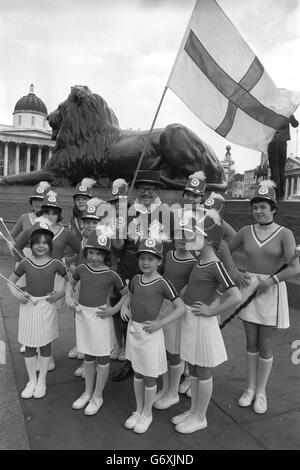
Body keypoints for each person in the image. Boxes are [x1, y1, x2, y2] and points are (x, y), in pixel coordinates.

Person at [228, 180, 299, 414]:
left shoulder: (285, 233)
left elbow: (294, 266)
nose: (259, 211)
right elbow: (225, 249)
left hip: (271, 290)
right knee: (250, 342)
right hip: (249, 287)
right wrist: (235, 272)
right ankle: (249, 388)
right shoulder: (246, 231)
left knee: (265, 344)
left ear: (274, 208)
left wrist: (271, 280)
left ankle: (261, 391)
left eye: (264, 207)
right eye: (255, 207)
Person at [171, 210, 242, 433]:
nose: (190, 239)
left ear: (210, 240)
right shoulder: (200, 262)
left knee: (202, 370)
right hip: (191, 318)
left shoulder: (215, 265)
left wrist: (212, 312)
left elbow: (236, 295)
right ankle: (193, 411)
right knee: (192, 367)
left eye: (196, 236)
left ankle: (201, 416)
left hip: (202, 322)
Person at [112, 170, 170, 381]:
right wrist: (118, 232)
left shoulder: (165, 212)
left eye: (151, 188)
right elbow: (118, 248)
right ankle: (131, 361)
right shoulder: (125, 211)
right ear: (136, 189)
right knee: (128, 319)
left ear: (156, 190)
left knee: (152, 317)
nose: (146, 192)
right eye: (143, 187)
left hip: (156, 275)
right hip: (130, 271)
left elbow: (170, 246)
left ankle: (153, 362)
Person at [124, 238, 185, 434]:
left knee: (149, 375)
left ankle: (147, 413)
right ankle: (138, 409)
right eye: (142, 258)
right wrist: (125, 306)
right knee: (138, 372)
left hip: (151, 334)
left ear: (159, 261)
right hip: (135, 330)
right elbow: (130, 295)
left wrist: (160, 323)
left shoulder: (163, 283)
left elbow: (180, 308)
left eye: (150, 258)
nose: (145, 262)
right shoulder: (135, 279)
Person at [66, 228, 128, 416]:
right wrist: (69, 298)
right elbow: (71, 284)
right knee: (87, 355)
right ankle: (87, 392)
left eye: (99, 254)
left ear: (106, 256)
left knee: (101, 356)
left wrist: (113, 310)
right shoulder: (82, 269)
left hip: (100, 318)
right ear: (86, 253)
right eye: (91, 253)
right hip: (83, 316)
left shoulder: (111, 274)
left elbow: (126, 295)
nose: (94, 257)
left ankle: (98, 396)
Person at [7, 218, 67, 399]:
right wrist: (18, 295)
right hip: (29, 306)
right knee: (30, 344)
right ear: (31, 244)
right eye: (37, 243)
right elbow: (11, 281)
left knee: (45, 344)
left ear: (49, 244)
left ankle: (42, 380)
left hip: (47, 307)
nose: (41, 246)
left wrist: (60, 293)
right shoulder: (25, 263)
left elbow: (71, 280)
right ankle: (31, 380)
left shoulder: (56, 263)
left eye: (44, 243)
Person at [153, 232, 196, 410]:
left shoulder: (193, 262)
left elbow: (189, 286)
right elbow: (162, 277)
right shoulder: (169, 255)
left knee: (175, 351)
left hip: (177, 309)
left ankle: (173, 392)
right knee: (165, 349)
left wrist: (175, 299)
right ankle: (165, 388)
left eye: (188, 236)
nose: (183, 240)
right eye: (181, 234)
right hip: (163, 306)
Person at [68, 178, 96, 360]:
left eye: (84, 198)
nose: (81, 201)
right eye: (78, 198)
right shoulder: (73, 220)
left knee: (92, 312)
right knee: (78, 308)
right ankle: (80, 343)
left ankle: (90, 348)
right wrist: (71, 262)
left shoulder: (99, 219)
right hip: (79, 266)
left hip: (94, 268)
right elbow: (75, 247)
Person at [267, 114, 299, 200]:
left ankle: (276, 195)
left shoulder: (271, 108)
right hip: (283, 143)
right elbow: (295, 124)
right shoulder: (287, 110)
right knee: (281, 170)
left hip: (272, 141)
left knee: (274, 169)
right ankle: (280, 195)